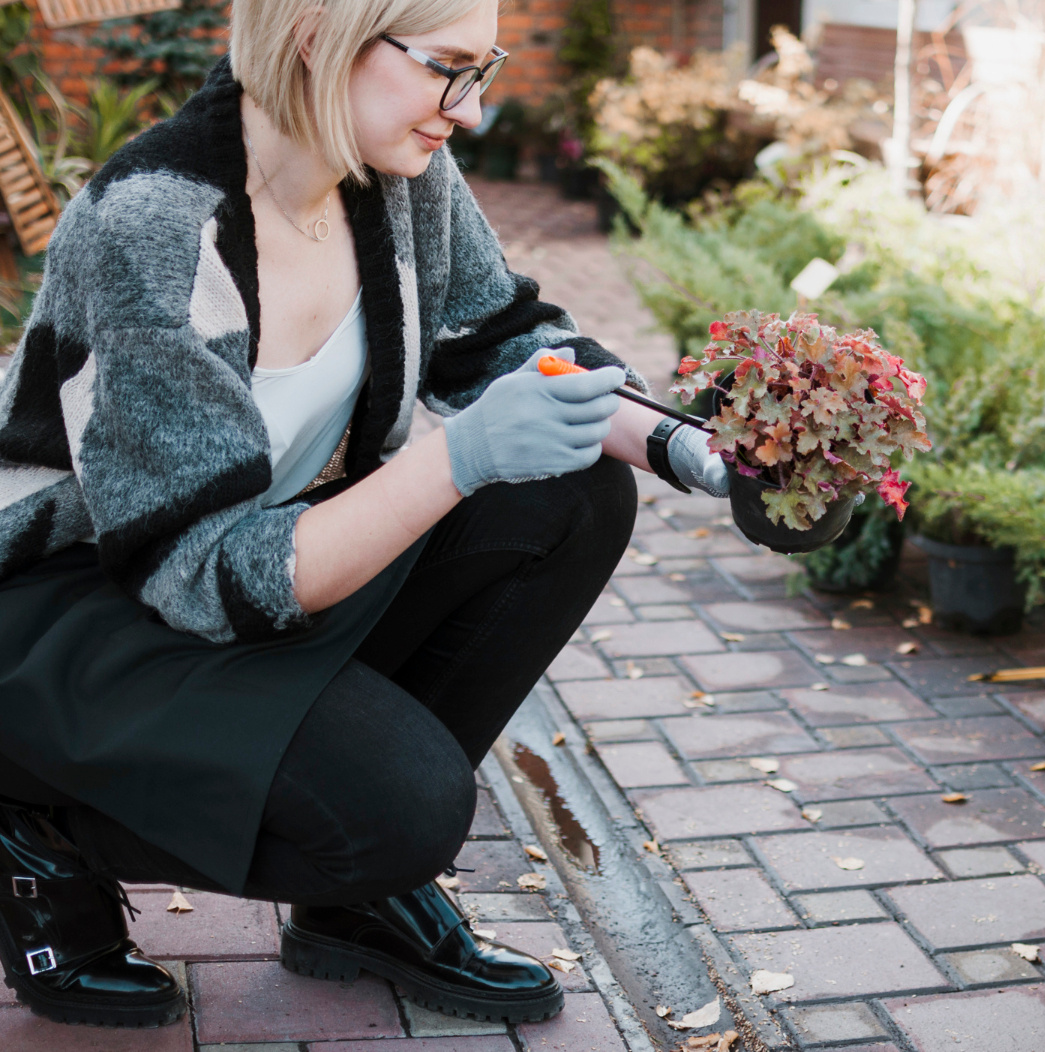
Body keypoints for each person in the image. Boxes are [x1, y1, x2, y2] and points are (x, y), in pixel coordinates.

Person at [0, 0, 728, 1030]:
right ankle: (37, 828)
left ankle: (354, 910)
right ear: (317, 37)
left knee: (571, 491)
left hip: (243, 560)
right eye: (447, 69)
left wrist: (699, 452)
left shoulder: (397, 170)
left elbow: (506, 339)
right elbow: (201, 574)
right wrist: (459, 458)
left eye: (484, 71)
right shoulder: (154, 227)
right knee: (401, 810)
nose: (467, 113)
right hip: (75, 606)